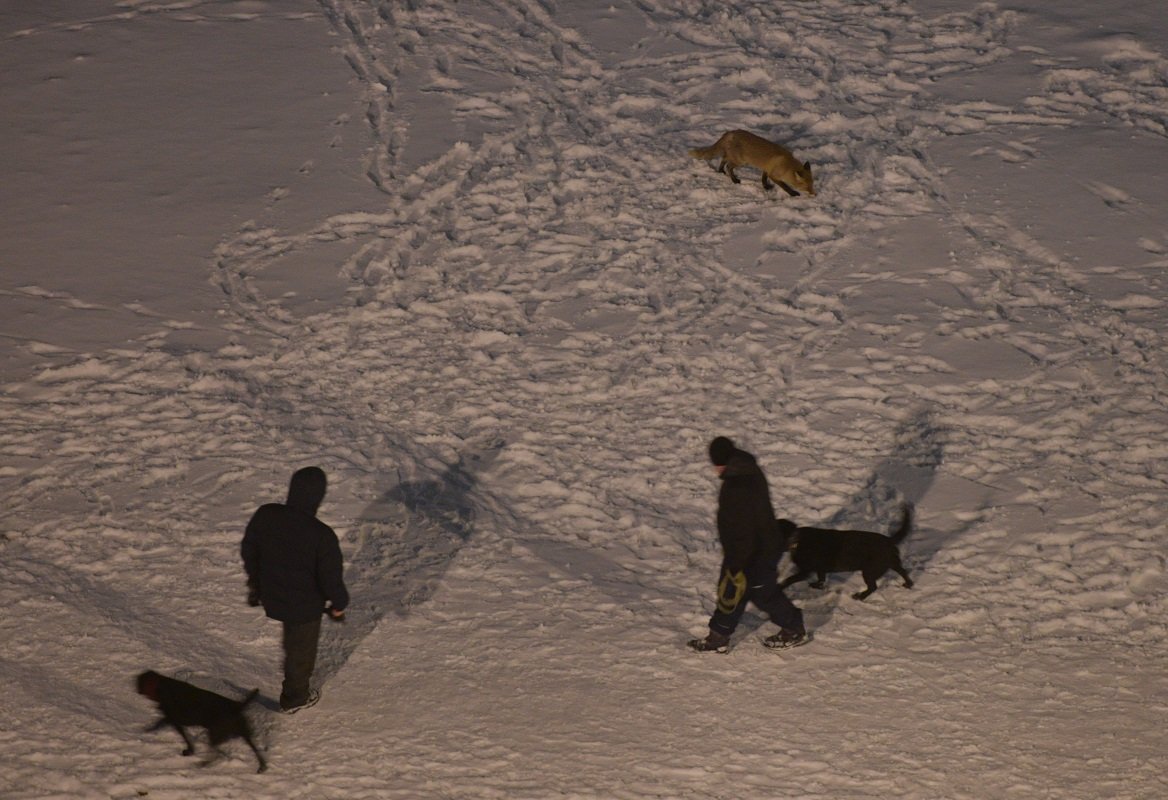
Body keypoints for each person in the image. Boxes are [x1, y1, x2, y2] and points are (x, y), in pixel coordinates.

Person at [241, 466, 350, 712]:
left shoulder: (267, 514)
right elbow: (330, 579)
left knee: (293, 639)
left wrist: (256, 581)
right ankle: (295, 699)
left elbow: (249, 550)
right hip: (304, 607)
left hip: (271, 593)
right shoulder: (322, 535)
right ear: (318, 496)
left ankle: (291, 668)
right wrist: (339, 604)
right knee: (301, 652)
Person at [689, 436, 806, 653]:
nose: (715, 469)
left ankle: (793, 628)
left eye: (716, 464)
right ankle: (718, 636)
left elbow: (743, 531)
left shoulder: (736, 487)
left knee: (761, 593)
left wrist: (736, 563)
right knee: (733, 592)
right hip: (754, 547)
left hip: (756, 551)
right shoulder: (747, 469)